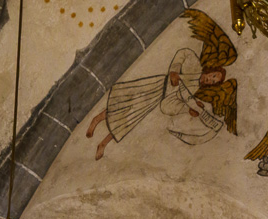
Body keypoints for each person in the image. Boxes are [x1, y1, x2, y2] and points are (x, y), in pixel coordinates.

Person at [86, 48, 226, 160]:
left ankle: (103, 143)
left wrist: (186, 109)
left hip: (157, 98)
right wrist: (174, 71)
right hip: (157, 84)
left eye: (214, 81)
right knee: (125, 101)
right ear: (211, 70)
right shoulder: (195, 65)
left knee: (131, 118)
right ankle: (97, 119)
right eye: (213, 75)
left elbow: (168, 106)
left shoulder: (194, 90)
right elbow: (183, 53)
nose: (210, 79)